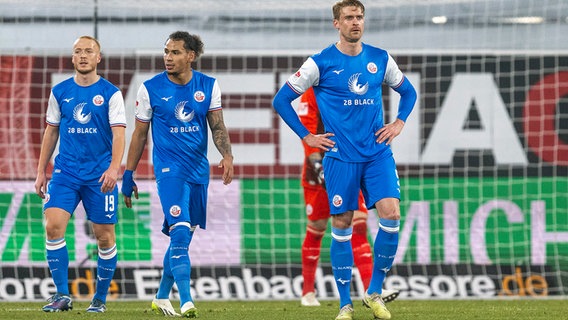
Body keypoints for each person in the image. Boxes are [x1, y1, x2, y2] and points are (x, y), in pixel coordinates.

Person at [273, 0, 417, 319]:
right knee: (341, 224)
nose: (356, 22)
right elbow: (281, 100)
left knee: (391, 214)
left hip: (377, 153)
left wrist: (400, 121)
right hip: (340, 158)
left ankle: (374, 290)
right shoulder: (320, 62)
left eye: (360, 17)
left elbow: (409, 92)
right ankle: (344, 304)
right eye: (349, 18)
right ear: (336, 23)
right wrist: (307, 136)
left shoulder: (379, 58)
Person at [121, 31, 234, 318]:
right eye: (166, 52)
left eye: (175, 52)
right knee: (181, 232)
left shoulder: (208, 86)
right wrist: (128, 173)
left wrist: (227, 156)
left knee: (182, 238)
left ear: (190, 56)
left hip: (199, 171)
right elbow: (139, 134)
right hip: (169, 170)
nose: (168, 58)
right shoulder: (150, 88)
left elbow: (217, 126)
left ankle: (160, 296)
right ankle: (186, 300)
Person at [34, 35, 126, 313]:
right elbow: (51, 132)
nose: (83, 55)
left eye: (89, 51)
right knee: (52, 226)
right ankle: (62, 294)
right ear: (72, 58)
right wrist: (41, 171)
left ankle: (99, 299)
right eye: (78, 52)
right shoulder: (59, 91)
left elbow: (119, 134)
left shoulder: (111, 93)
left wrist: (114, 169)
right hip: (66, 172)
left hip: (100, 176)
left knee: (104, 236)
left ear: (99, 58)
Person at [298, 87, 399, 307]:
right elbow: (307, 130)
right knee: (317, 228)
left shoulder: (353, 86)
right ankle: (308, 292)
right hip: (319, 171)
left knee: (359, 226)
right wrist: (316, 163)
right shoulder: (311, 91)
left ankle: (371, 290)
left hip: (350, 165)